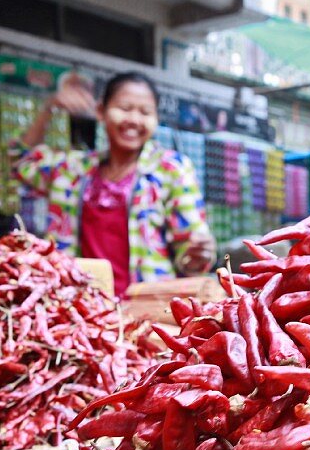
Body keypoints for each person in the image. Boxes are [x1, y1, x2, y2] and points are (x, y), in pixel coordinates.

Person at [13, 71, 215, 296]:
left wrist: (199, 254)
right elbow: (20, 160)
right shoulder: (72, 171)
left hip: (147, 307)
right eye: (125, 108)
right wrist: (50, 107)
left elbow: (190, 254)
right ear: (101, 111)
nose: (134, 120)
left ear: (156, 119)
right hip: (80, 306)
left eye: (145, 112)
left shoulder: (170, 169)